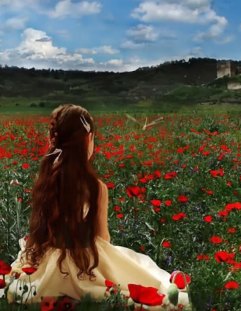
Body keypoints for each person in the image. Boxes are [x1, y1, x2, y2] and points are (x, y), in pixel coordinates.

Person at [5, 104, 190, 310]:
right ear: (88, 140)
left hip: (48, 269)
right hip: (85, 265)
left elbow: (40, 229)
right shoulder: (96, 188)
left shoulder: (45, 181)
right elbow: (103, 238)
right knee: (141, 273)